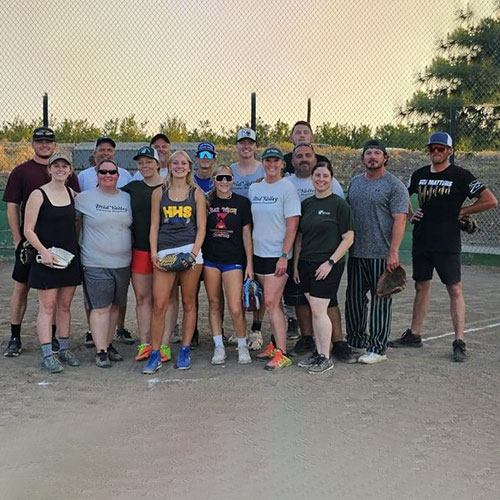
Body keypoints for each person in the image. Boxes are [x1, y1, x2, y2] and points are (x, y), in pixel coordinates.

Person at [389, 132, 497, 361]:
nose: (436, 152)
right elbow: (400, 193)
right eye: (433, 149)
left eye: (441, 149)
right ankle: (414, 334)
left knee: (454, 289)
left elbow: (490, 200)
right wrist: (410, 213)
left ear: (450, 151)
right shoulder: (419, 174)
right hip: (423, 239)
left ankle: (460, 340)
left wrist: (462, 211)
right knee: (421, 285)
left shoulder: (460, 175)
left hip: (447, 242)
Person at [2, 127, 80, 357]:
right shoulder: (22, 171)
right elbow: (13, 207)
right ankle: (15, 337)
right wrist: (18, 240)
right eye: (40, 141)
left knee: (59, 298)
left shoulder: (69, 178)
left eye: (49, 141)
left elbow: (76, 210)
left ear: (54, 145)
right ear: (33, 144)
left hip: (61, 245)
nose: (44, 145)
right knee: (21, 287)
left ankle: (56, 340)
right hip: (33, 244)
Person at [345, 139, 409, 364]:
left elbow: (400, 220)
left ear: (385, 158)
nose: (372, 156)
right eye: (368, 153)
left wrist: (393, 252)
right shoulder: (354, 183)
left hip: (381, 254)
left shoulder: (394, 185)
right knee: (353, 300)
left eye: (377, 153)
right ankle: (355, 340)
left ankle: (378, 348)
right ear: (363, 158)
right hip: (356, 252)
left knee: (380, 299)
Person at [143, 151, 207, 374]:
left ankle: (185, 349)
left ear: (190, 167)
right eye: (175, 163)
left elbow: (201, 227)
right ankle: (156, 352)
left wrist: (193, 253)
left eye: (184, 163)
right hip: (166, 250)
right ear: (168, 166)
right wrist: (154, 254)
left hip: (190, 251)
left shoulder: (196, 193)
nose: (179, 166)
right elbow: (154, 226)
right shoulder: (159, 193)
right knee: (159, 304)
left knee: (189, 303)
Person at [285, 144, 350, 360]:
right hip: (305, 264)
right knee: (315, 310)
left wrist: (330, 262)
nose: (321, 179)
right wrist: (295, 265)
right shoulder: (307, 204)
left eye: (325, 175)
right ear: (312, 178)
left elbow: (348, 238)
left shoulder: (339, 205)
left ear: (331, 179)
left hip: (328, 265)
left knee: (319, 309)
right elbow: (300, 236)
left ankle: (324, 356)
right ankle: (321, 351)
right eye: (317, 176)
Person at [23, 153, 81, 372]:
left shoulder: (72, 193)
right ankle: (47, 353)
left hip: (67, 259)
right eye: (56, 165)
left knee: (64, 306)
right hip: (46, 260)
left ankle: (63, 348)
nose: (60, 169)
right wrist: (43, 251)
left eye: (64, 166)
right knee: (47, 307)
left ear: (70, 171)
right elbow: (28, 229)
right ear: (49, 170)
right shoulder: (38, 195)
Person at [75, 159, 133, 368]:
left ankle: (108, 345)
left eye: (112, 172)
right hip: (95, 262)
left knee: (116, 306)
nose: (108, 175)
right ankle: (100, 351)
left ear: (118, 175)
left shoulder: (127, 198)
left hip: (123, 263)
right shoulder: (84, 198)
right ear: (96, 175)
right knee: (101, 307)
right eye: (103, 172)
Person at [249, 146, 301, 370]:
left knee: (271, 302)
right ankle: (274, 344)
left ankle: (283, 353)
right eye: (268, 161)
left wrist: (284, 256)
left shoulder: (287, 188)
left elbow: (293, 225)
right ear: (262, 163)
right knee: (272, 303)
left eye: (276, 161)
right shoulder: (254, 187)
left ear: (282, 164)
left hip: (276, 256)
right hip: (258, 253)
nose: (271, 165)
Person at [121, 146, 172, 364]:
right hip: (141, 249)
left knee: (167, 299)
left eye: (148, 161)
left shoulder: (171, 187)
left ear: (158, 163)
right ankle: (145, 343)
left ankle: (165, 345)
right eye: (140, 163)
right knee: (143, 297)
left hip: (166, 250)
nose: (144, 166)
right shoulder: (131, 188)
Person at [203, 165, 253, 365]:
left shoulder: (242, 203)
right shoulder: (206, 201)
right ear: (214, 180)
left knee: (235, 306)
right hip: (211, 259)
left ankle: (242, 344)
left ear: (233, 180)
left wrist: (249, 263)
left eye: (228, 178)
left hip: (233, 260)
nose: (224, 182)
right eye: (220, 178)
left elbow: (247, 235)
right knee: (214, 303)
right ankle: (219, 346)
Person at [230, 128, 266, 349]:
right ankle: (239, 327)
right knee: (238, 282)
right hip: (235, 233)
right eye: (242, 143)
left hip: (260, 231)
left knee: (259, 282)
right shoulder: (231, 171)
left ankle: (257, 329)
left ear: (255, 146)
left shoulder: (263, 169)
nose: (246, 147)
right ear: (237, 146)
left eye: (250, 143)